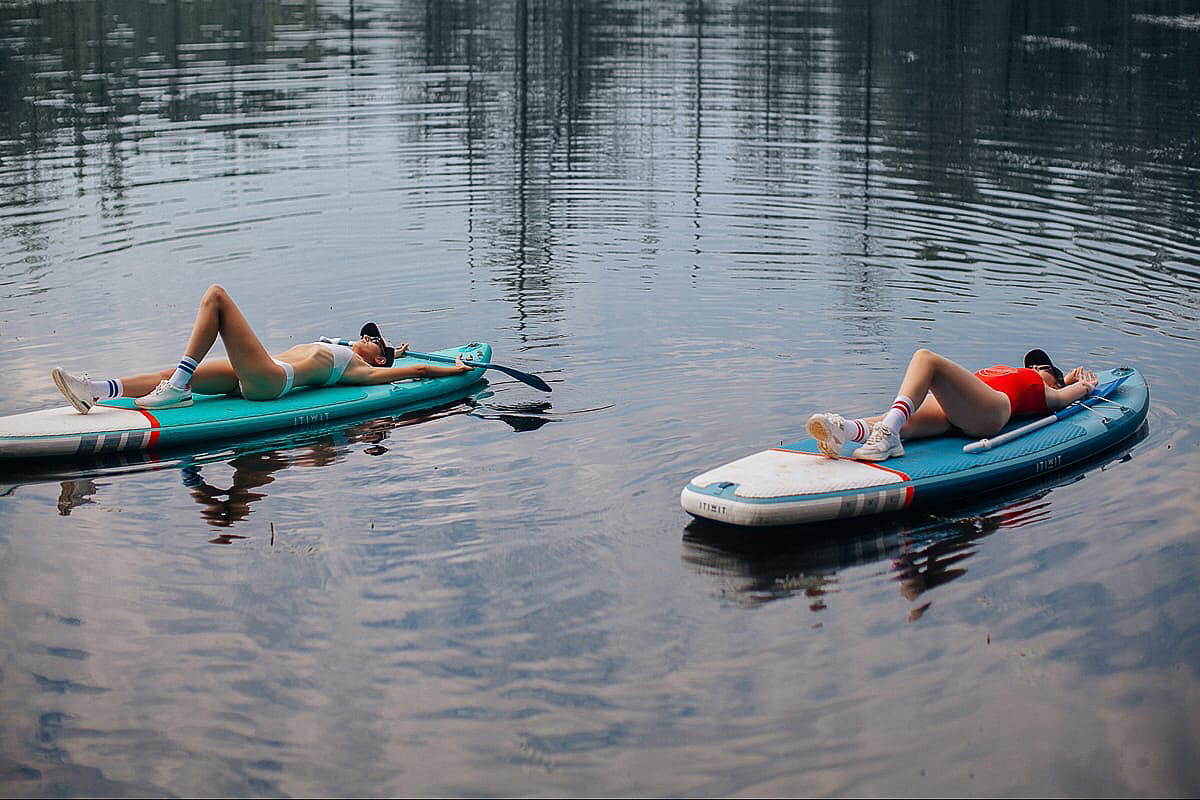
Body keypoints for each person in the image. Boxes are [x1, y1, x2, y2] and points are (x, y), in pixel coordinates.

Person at [51, 284, 475, 414]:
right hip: (254, 374)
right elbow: (364, 345)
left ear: (377, 356)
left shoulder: (362, 371)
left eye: (373, 340)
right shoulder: (343, 346)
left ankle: (177, 389)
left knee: (216, 297)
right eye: (368, 334)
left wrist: (456, 370)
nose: (365, 337)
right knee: (171, 369)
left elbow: (413, 373)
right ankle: (96, 390)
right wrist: (399, 348)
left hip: (272, 382)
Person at [806, 348, 1098, 463]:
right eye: (1032, 363)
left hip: (994, 411)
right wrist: (1060, 376)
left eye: (1043, 366)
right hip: (963, 409)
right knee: (900, 413)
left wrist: (1080, 385)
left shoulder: (1043, 389)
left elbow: (1062, 399)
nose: (1033, 366)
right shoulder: (1019, 373)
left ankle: (889, 436)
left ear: (1053, 381)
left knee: (926, 359)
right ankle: (847, 430)